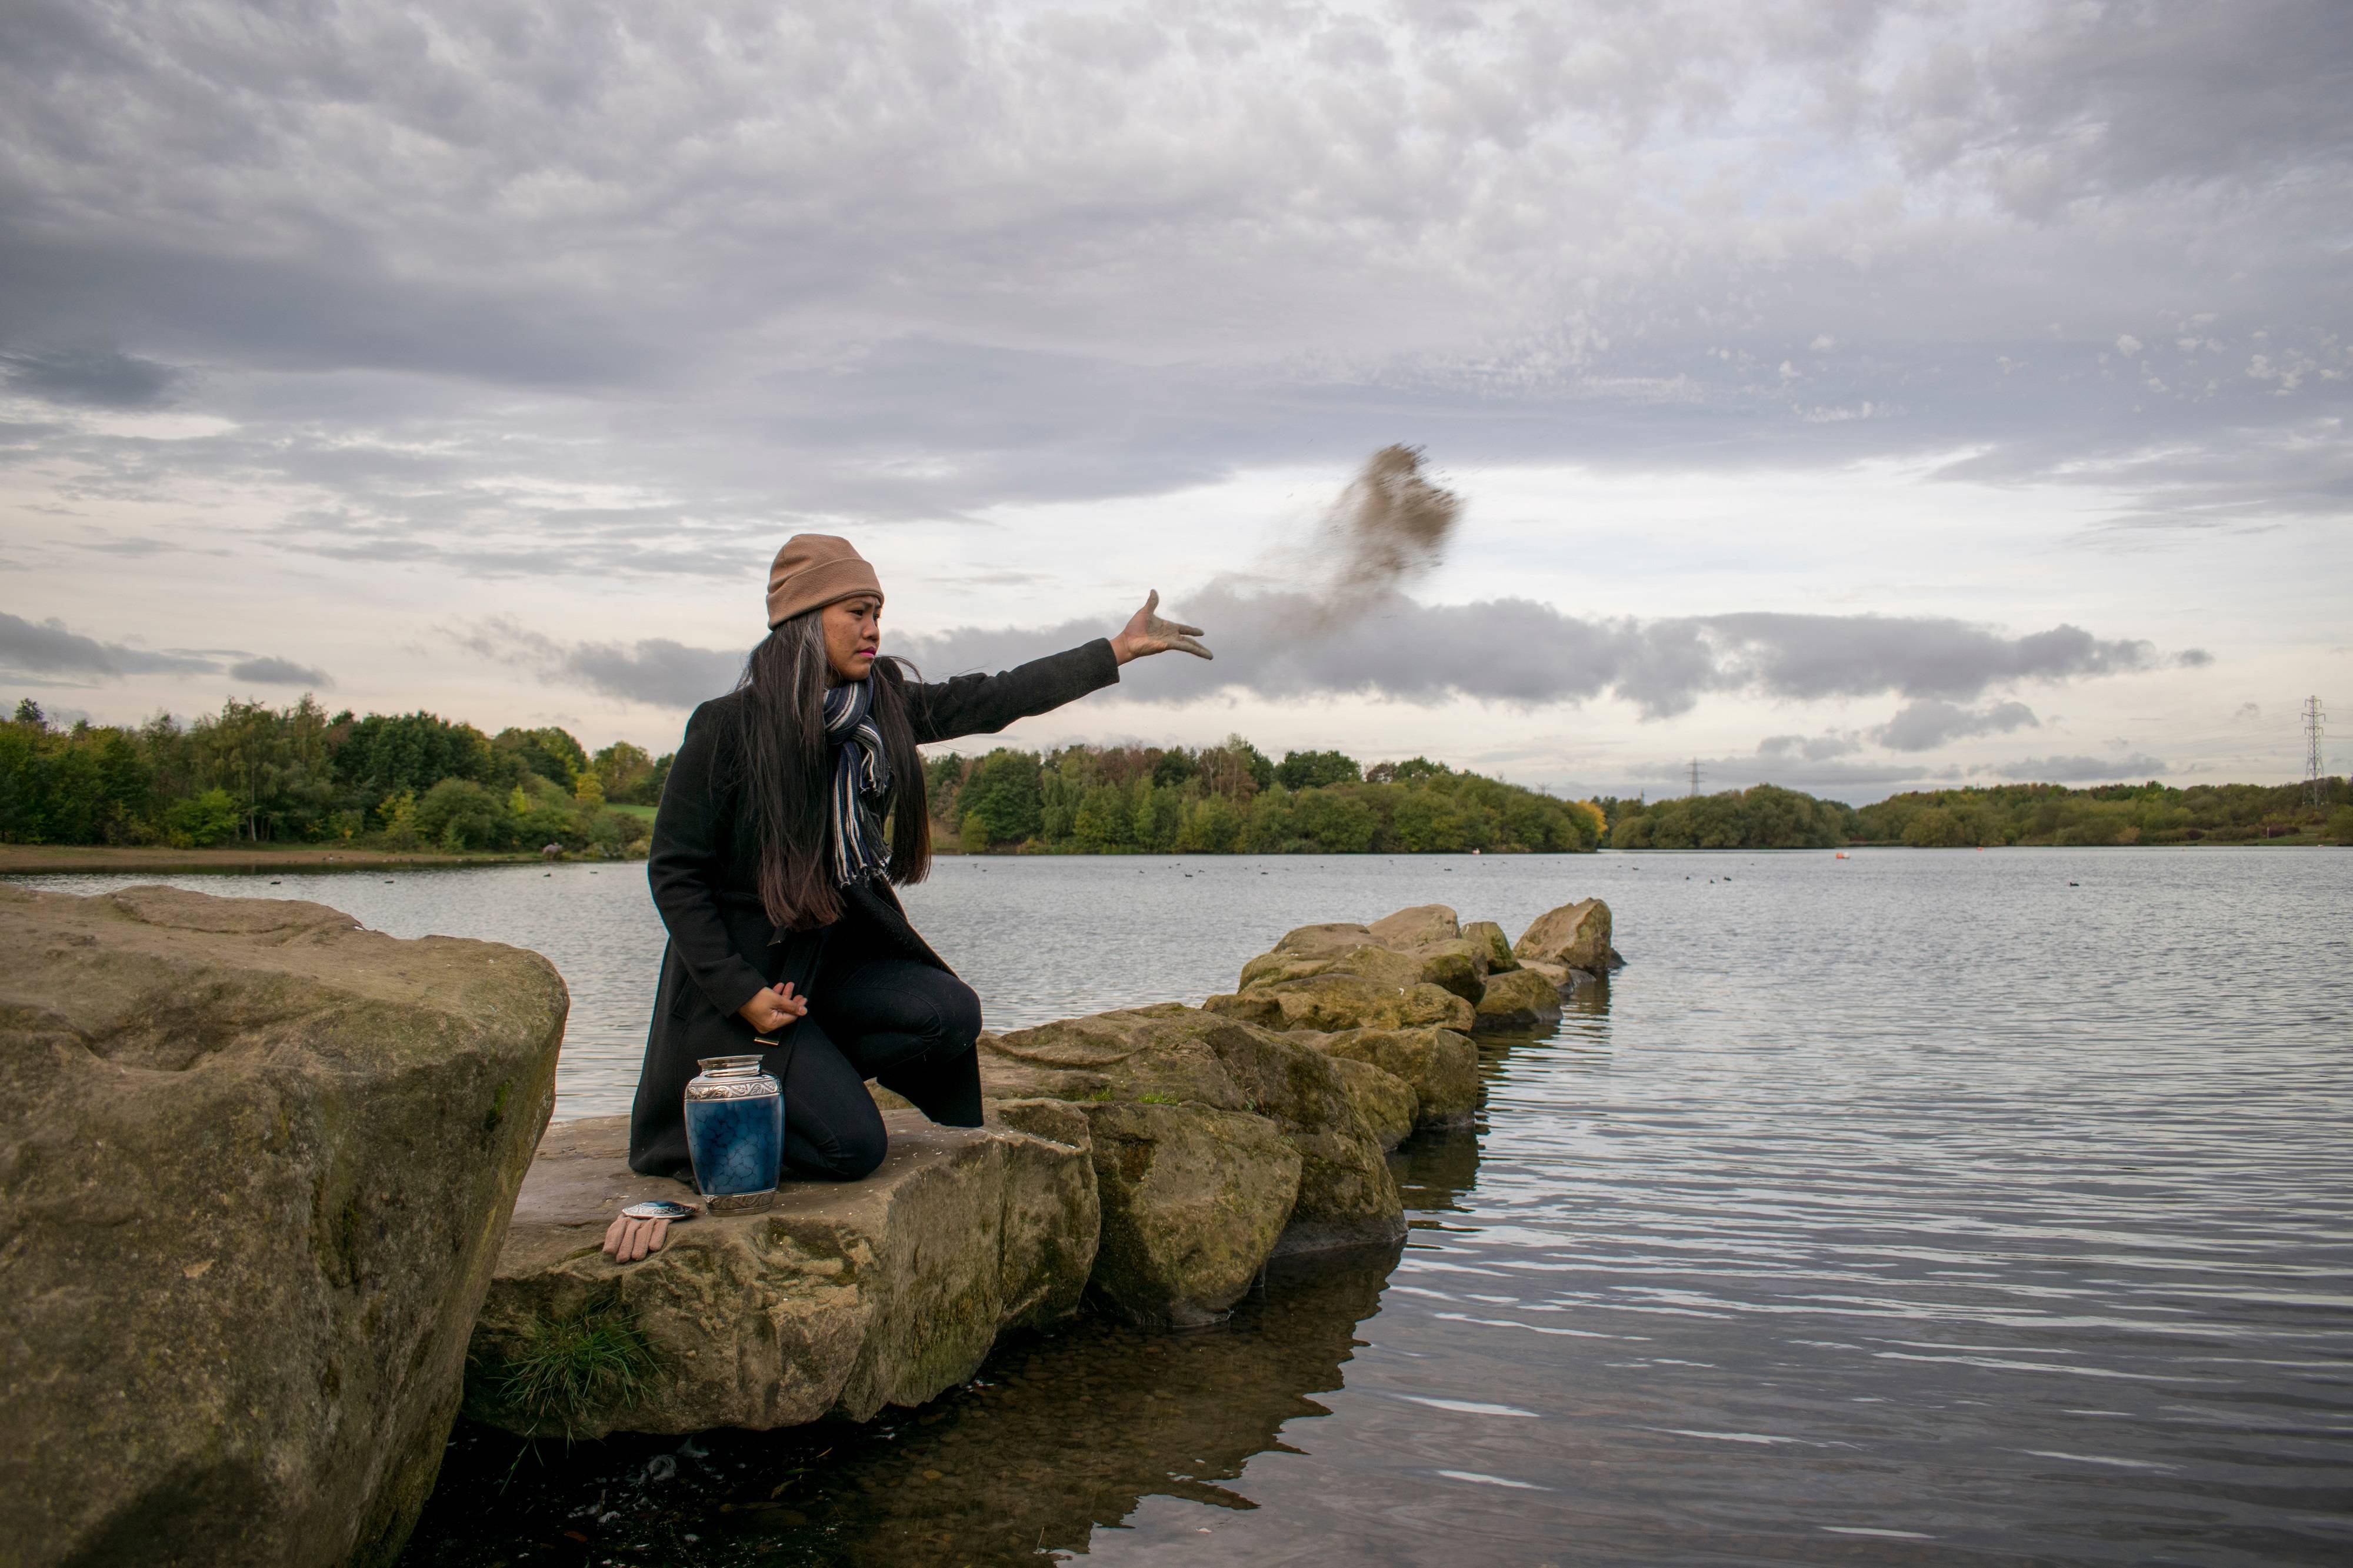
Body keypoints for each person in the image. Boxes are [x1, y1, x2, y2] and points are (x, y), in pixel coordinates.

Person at [603, 534, 1209, 1261]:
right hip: (743, 993)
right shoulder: (726, 727)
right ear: (804, 620)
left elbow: (989, 698)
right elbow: (674, 872)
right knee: (854, 1148)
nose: (873, 629)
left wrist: (1115, 649)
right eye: (857, 611)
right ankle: (738, 1115)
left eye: (878, 612)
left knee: (948, 1012)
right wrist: (742, 992)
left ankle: (805, 1073)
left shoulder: (876, 708)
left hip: (824, 974)